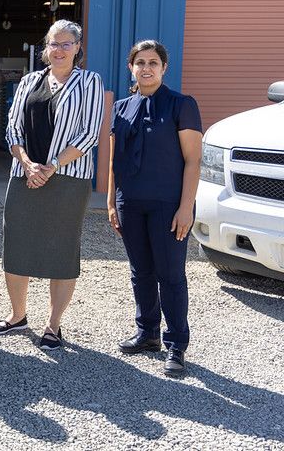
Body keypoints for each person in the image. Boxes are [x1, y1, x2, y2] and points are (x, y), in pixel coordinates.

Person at [0, 19, 104, 350]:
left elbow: (89, 134)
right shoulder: (28, 82)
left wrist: (51, 166)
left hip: (68, 178)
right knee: (17, 245)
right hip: (24, 176)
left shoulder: (89, 82)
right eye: (54, 43)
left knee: (62, 249)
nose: (59, 50)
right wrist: (27, 164)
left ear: (78, 48)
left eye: (66, 44)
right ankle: (18, 315)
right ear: (46, 48)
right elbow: (12, 129)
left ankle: (53, 325)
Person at [108, 40, 202, 377]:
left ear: (163, 68)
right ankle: (147, 333)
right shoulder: (120, 107)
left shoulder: (181, 105)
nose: (146, 68)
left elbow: (193, 161)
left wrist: (186, 208)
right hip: (130, 203)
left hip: (167, 204)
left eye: (153, 63)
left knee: (170, 274)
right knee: (140, 272)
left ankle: (176, 343)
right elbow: (114, 161)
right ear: (131, 67)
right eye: (140, 63)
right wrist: (111, 201)